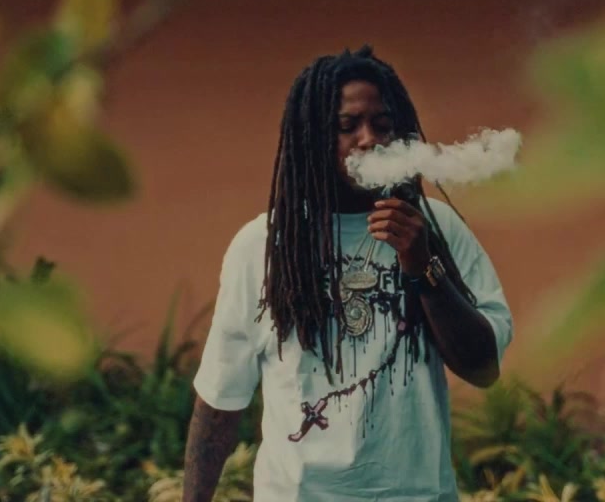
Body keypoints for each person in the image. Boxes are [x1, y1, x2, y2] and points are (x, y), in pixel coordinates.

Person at [183, 46, 513, 502]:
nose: (369, 139)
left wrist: (423, 267)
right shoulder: (262, 245)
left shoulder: (436, 229)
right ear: (312, 138)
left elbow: (483, 368)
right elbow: (220, 400)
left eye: (383, 125)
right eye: (347, 126)